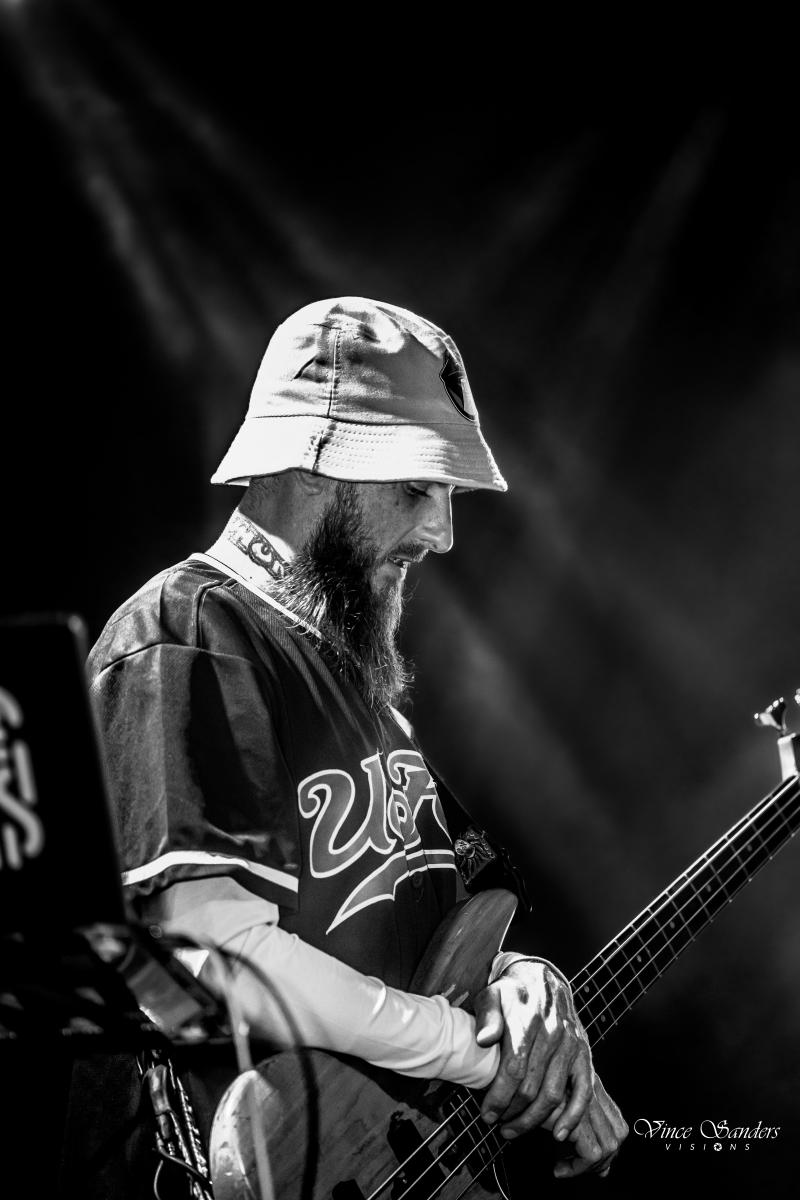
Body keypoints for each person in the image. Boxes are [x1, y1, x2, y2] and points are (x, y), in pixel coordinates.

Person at [72, 297, 628, 1192]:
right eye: (418, 487)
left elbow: (436, 926)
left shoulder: (356, 682)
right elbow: (219, 955)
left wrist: (528, 989)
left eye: (448, 495)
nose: (442, 533)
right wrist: (472, 1053)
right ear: (315, 459)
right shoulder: (187, 632)